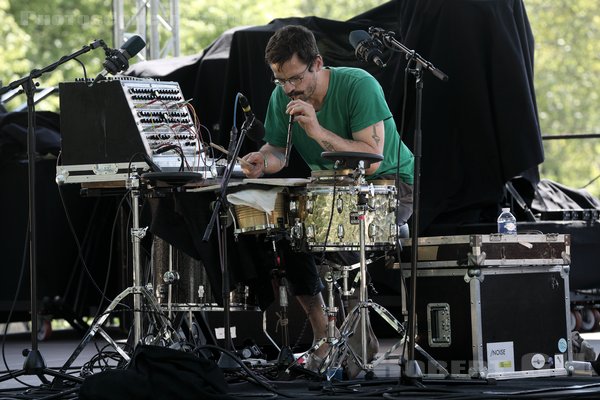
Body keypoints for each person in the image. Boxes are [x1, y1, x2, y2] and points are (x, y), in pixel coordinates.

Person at [241, 25, 414, 376]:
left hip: (390, 183)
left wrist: (317, 131)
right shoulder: (283, 97)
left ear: (317, 63)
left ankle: (356, 337)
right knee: (289, 239)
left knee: (341, 245)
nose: (289, 89)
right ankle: (324, 333)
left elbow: (372, 156)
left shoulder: (358, 84)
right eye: (280, 81)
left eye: (294, 79)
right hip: (334, 186)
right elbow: (278, 149)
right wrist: (262, 159)